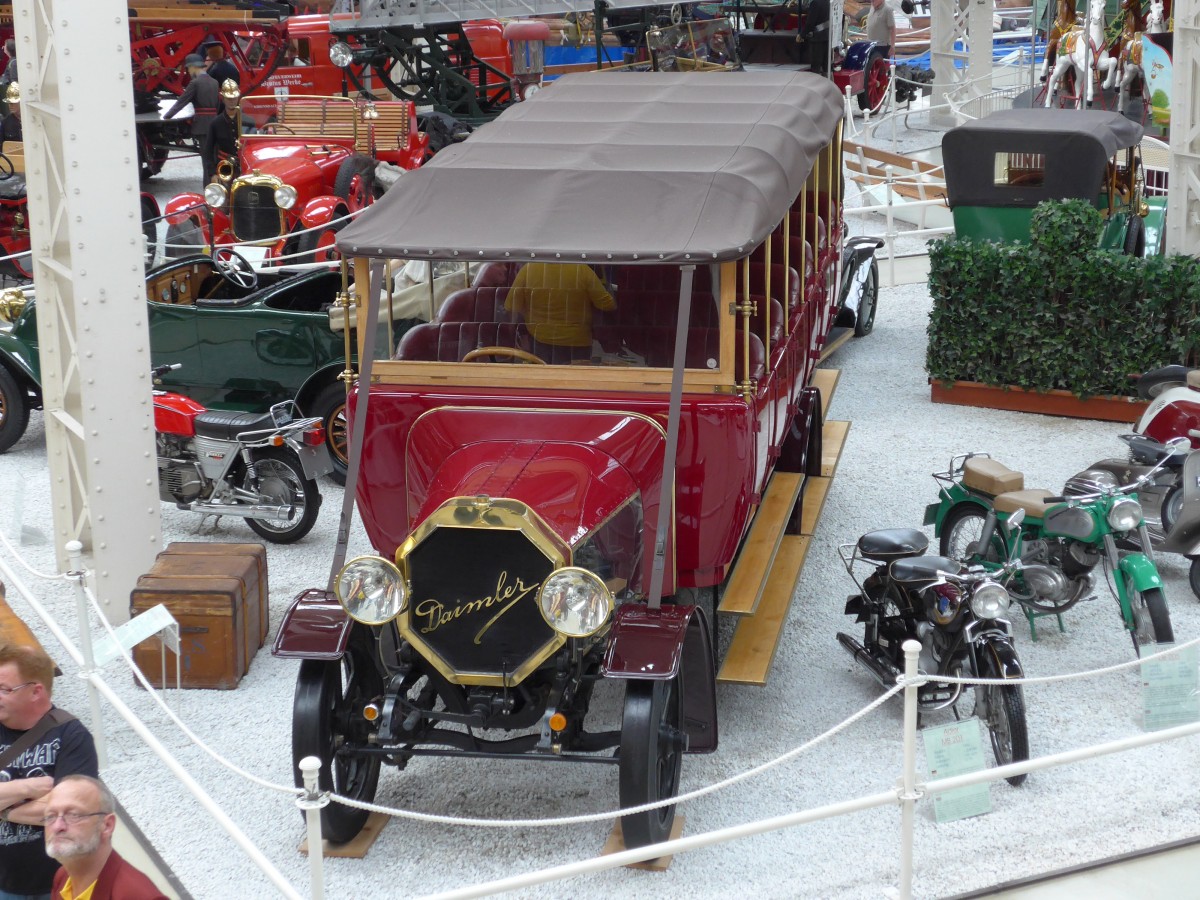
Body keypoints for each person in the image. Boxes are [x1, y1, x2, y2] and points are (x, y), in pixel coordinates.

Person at [0, 644, 98, 900]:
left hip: (60, 882)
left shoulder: (72, 736)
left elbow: (70, 812)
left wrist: (5, 809)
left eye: (3, 689)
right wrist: (27, 789)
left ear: (36, 691)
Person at [44, 776, 166, 900]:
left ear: (107, 825)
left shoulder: (139, 895)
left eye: (74, 815)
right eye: (50, 816)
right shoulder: (63, 878)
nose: (57, 826)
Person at [503, 262, 615, 364]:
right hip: (577, 343)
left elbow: (511, 306)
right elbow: (607, 304)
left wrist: (518, 336)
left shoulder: (529, 269)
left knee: (543, 381)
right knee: (574, 381)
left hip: (540, 340)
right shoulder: (582, 270)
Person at [162, 53, 219, 147]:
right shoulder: (215, 82)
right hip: (214, 123)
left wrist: (167, 116)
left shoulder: (195, 83)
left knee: (206, 156)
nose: (188, 71)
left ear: (193, 67)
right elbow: (218, 104)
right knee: (213, 154)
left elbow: (182, 102)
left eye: (188, 68)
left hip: (201, 125)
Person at [200, 79, 240, 187]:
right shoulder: (215, 123)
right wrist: (212, 174)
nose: (232, 101)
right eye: (229, 98)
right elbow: (207, 151)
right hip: (224, 169)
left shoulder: (247, 121)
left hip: (244, 166)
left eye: (234, 98)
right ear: (223, 98)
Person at [803, 0, 831, 74]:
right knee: (826, 65)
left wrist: (802, 34)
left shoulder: (815, 3)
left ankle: (816, 83)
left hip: (817, 38)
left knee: (816, 65)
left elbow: (810, 22)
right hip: (828, 36)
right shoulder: (828, 1)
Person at [1, 83, 21, 153]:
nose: (10, 105)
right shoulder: (5, 123)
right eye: (9, 103)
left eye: (13, 102)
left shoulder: (32, 121)